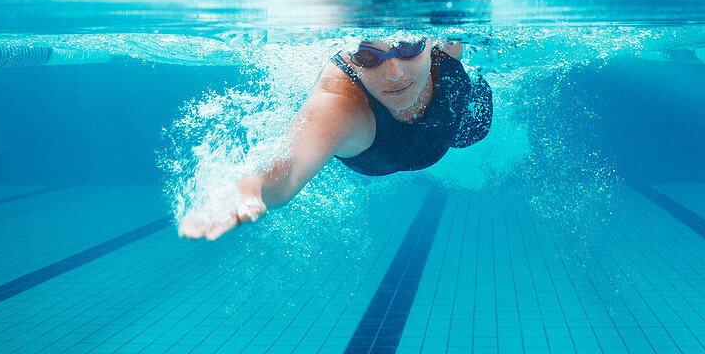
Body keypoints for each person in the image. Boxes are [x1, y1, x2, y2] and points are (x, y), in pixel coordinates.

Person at [178, 36, 492, 241]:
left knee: (475, 129)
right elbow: (287, 172)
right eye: (369, 58)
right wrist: (256, 187)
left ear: (429, 39)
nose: (395, 73)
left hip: (456, 122)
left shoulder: (444, 47)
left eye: (409, 47)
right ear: (350, 54)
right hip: (389, 147)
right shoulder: (340, 101)